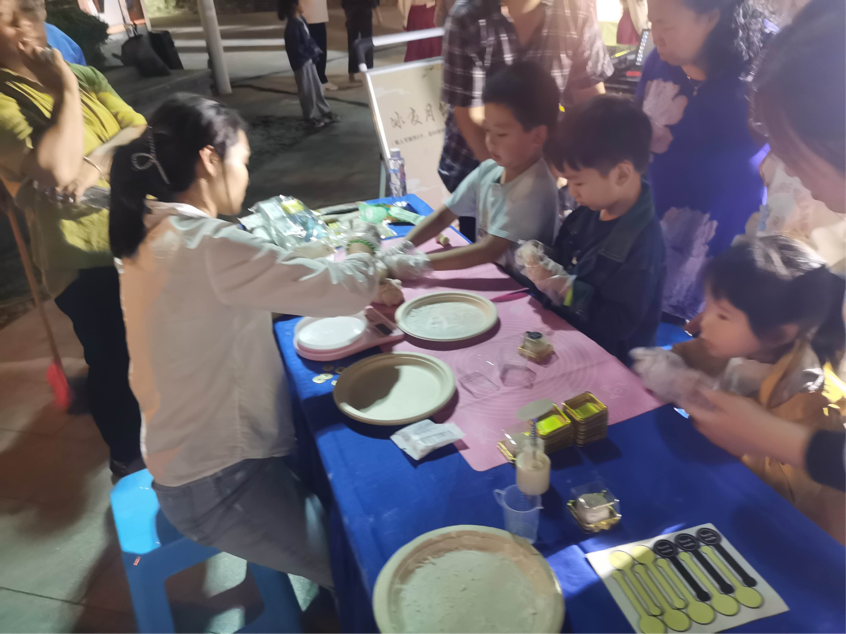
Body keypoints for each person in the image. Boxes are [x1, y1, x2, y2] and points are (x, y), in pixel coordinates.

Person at [110, 94, 385, 588]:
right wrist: (365, 240)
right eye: (243, 160)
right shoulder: (207, 245)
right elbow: (349, 289)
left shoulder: (155, 234)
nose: (245, 175)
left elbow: (236, 296)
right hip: (218, 483)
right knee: (361, 573)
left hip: (188, 459)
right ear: (209, 159)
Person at [0, 0, 146, 476]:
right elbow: (56, 168)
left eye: (29, 10)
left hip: (136, 232)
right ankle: (127, 458)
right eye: (7, 18)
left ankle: (165, 439)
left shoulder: (88, 76)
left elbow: (137, 126)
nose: (25, 25)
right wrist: (62, 89)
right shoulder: (7, 98)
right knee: (113, 362)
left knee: (152, 347)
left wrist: (97, 162)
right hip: (81, 256)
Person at [635, 236, 846, 543]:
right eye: (708, 306)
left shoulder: (809, 405)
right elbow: (674, 359)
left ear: (778, 334)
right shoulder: (732, 348)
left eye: (723, 315)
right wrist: (673, 377)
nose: (703, 323)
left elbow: (794, 507)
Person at [636, 0, 771, 321]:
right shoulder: (659, 63)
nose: (656, 36)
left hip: (722, 239)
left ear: (710, 17)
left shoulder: (764, 70)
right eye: (652, 23)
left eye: (666, 25)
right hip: (655, 230)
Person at [439, 0, 612, 240]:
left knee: (541, 255)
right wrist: (511, 184)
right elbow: (470, 115)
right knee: (483, 246)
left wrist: (562, 167)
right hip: (481, 164)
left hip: (551, 167)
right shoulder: (468, 17)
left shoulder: (575, 9)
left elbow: (590, 102)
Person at [517, 95, 665, 363]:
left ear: (621, 174)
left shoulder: (642, 246)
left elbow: (617, 323)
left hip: (610, 360)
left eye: (578, 183)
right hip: (568, 336)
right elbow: (565, 259)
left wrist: (565, 287)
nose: (571, 192)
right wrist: (541, 260)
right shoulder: (589, 209)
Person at [383, 62, 559, 279]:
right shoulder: (489, 171)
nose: (490, 141)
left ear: (537, 136)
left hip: (527, 290)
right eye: (487, 130)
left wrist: (419, 263)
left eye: (501, 134)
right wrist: (403, 248)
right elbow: (443, 216)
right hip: (496, 277)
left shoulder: (535, 188)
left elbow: (489, 250)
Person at [280, 0, 340, 129]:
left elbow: (307, 39)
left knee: (316, 87)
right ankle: (309, 116)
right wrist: (308, 54)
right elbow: (295, 48)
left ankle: (325, 111)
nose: (303, 5)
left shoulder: (300, 20)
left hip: (309, 60)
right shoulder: (293, 26)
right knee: (306, 90)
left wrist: (313, 53)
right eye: (300, 3)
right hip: (302, 62)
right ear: (294, 6)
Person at [298, 0, 338, 91]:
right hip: (307, 18)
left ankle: (321, 78)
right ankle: (314, 80)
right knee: (310, 52)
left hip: (318, 17)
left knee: (321, 51)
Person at [342, 0, 376, 83]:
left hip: (352, 12)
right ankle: (369, 69)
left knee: (352, 42)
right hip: (365, 12)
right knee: (367, 42)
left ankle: (353, 72)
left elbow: (344, 3)